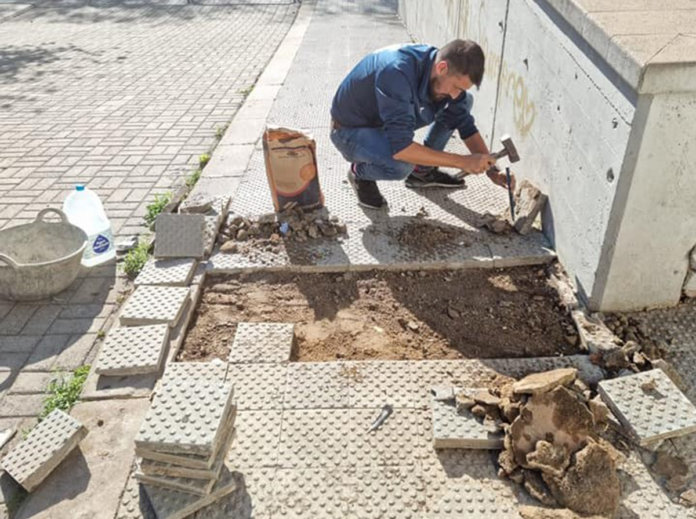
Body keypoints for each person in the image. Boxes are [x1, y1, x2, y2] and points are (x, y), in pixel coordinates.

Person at [330, 39, 516, 209]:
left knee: (464, 102)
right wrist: (462, 162)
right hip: (350, 130)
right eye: (456, 87)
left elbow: (465, 125)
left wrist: (491, 169)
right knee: (402, 165)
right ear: (442, 68)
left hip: (385, 120)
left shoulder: (441, 75)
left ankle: (422, 173)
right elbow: (401, 148)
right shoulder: (397, 72)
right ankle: (359, 173)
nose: (455, 94)